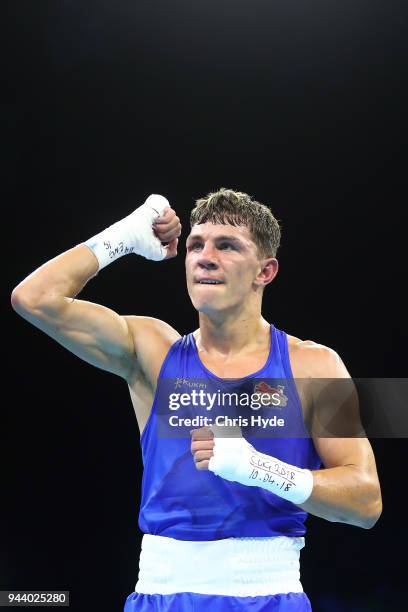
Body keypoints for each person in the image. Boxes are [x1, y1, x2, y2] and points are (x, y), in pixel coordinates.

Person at [11, 188, 382, 611]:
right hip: (161, 596)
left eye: (227, 246)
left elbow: (366, 501)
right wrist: (125, 237)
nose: (205, 256)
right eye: (195, 245)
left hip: (267, 597)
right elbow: (33, 299)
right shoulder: (152, 350)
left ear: (266, 271)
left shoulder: (314, 365)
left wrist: (257, 468)